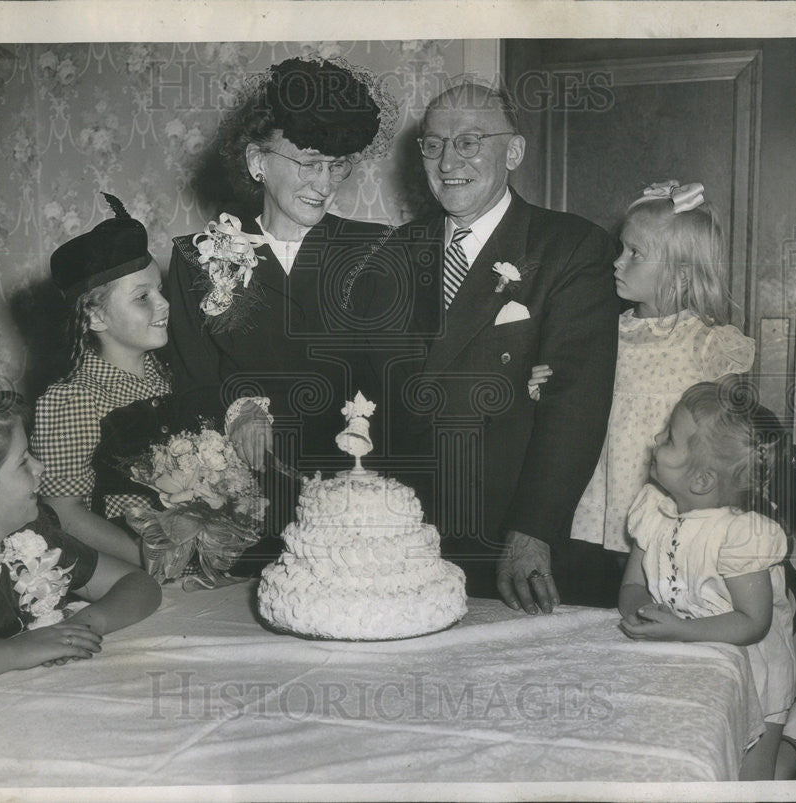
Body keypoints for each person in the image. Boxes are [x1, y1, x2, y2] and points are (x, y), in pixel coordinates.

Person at [387, 82, 621, 607]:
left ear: (512, 151)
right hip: (403, 538)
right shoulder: (396, 251)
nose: (448, 161)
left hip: (505, 538)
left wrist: (533, 531)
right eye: (433, 144)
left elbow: (576, 403)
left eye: (469, 142)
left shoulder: (570, 247)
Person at [164, 56, 401, 541]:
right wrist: (238, 406)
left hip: (352, 503)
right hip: (240, 506)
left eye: (338, 167)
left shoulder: (379, 250)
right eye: (310, 164)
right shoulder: (198, 259)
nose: (326, 185)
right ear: (257, 162)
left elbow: (399, 386)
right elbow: (190, 384)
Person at [32, 195, 271, 566]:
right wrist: (148, 558)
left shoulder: (171, 377)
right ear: (95, 317)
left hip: (192, 563)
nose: (164, 304)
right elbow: (62, 512)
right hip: (131, 570)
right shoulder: (73, 398)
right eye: (143, 297)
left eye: (159, 289)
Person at [0, 384, 162, 701]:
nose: (40, 467)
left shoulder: (34, 539)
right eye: (23, 462)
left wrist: (87, 624)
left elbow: (140, 583)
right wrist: (16, 651)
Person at [617, 376, 796, 779]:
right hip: (688, 649)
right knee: (699, 760)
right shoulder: (653, 508)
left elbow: (753, 622)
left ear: (701, 480)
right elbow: (633, 584)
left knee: (751, 778)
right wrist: (640, 614)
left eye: (669, 439)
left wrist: (679, 629)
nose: (655, 439)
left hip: (753, 662)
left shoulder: (742, 533)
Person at [560, 181, 754, 560]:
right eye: (621, 248)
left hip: (672, 499)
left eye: (635, 253)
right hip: (600, 492)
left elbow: (730, 435)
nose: (617, 261)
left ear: (681, 274)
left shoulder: (707, 343)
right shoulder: (605, 331)